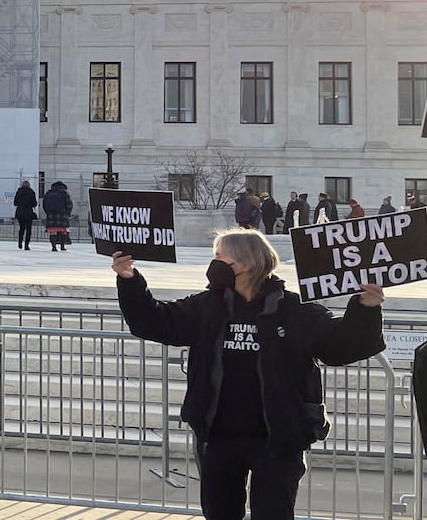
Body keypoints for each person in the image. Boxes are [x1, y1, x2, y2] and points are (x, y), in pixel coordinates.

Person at [112, 229, 384, 520]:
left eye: (219, 257)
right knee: (220, 512)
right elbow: (155, 321)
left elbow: (337, 346)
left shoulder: (292, 309)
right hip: (218, 436)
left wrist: (364, 310)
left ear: (246, 263)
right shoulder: (207, 306)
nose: (213, 264)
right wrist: (129, 280)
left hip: (278, 438)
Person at [42, 181, 73, 251]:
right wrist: (68, 213)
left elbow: (44, 204)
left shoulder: (49, 193)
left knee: (53, 231)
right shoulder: (64, 193)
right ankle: (62, 246)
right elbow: (69, 204)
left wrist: (48, 212)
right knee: (63, 231)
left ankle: (54, 247)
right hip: (62, 215)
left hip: (51, 215)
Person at [13, 180, 38, 250]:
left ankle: (20, 242)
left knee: (21, 228)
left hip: (20, 212)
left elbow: (15, 203)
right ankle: (26, 245)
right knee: (28, 229)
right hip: (28, 212)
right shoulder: (31, 192)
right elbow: (34, 203)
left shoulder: (19, 192)